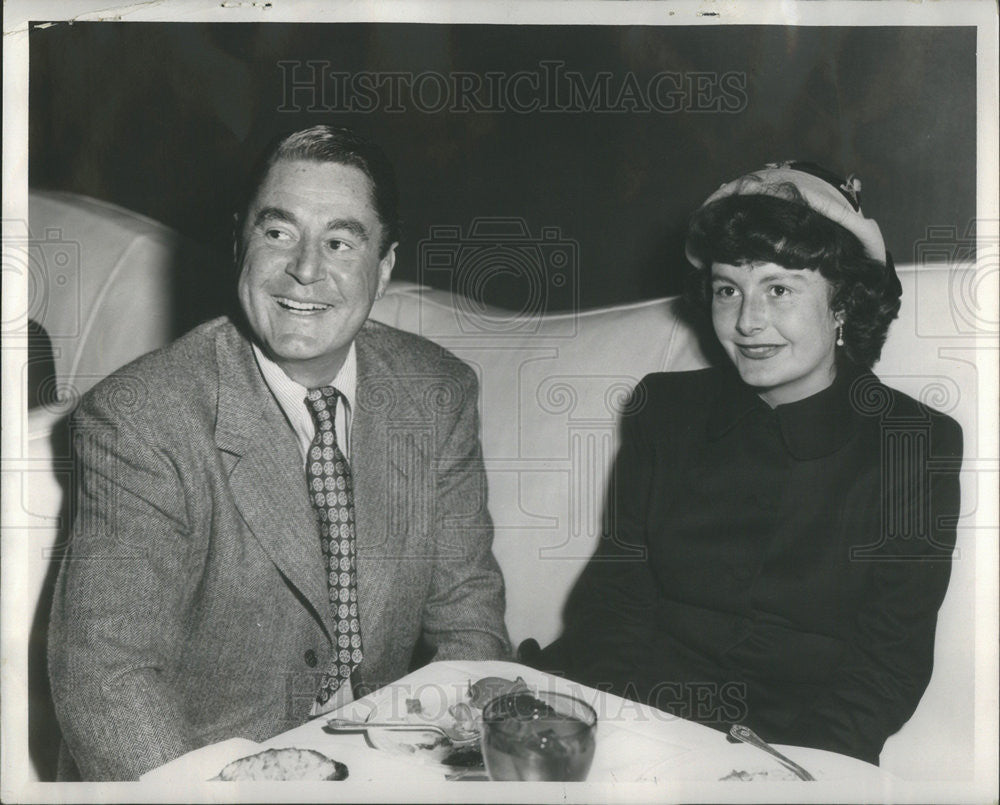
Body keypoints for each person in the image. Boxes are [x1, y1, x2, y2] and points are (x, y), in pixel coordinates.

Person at [48, 125, 511, 780]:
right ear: (241, 239)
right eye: (278, 232)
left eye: (340, 241)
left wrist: (437, 770)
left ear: (383, 266)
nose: (306, 268)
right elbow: (108, 680)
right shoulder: (140, 420)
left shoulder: (437, 393)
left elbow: (468, 624)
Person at [528, 162, 962, 765]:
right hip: (633, 717)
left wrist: (791, 775)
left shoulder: (913, 442)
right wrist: (621, 738)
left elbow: (888, 662)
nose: (747, 322)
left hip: (794, 746)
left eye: (779, 289)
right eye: (728, 288)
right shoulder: (665, 411)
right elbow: (615, 602)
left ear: (843, 302)